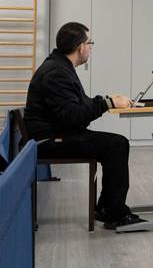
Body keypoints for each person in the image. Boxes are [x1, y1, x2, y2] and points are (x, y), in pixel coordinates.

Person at [24, 22, 145, 229]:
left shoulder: (60, 66)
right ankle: (113, 213)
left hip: (57, 134)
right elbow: (72, 116)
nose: (90, 48)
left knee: (115, 144)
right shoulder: (57, 72)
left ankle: (107, 208)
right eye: (90, 43)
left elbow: (80, 105)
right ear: (80, 46)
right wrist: (106, 104)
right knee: (116, 144)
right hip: (50, 141)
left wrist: (107, 100)